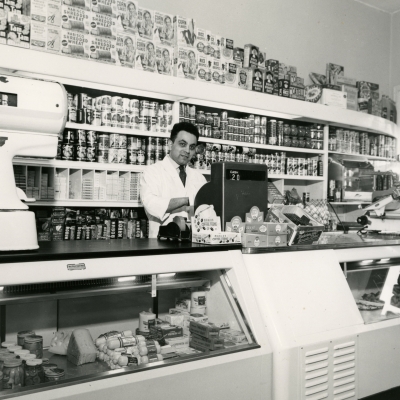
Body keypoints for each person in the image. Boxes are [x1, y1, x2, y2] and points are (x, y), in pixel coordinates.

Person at [140, 122, 207, 238]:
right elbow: (151, 204)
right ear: (170, 144)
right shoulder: (152, 172)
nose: (187, 150)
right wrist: (188, 201)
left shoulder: (199, 178)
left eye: (191, 147)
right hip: (161, 245)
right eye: (182, 144)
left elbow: (207, 212)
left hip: (193, 245)